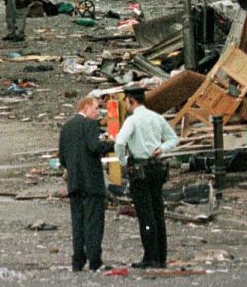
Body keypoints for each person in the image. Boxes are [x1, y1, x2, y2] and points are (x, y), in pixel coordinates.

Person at [115, 87, 179, 269]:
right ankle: (161, 256)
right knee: (158, 212)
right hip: (157, 167)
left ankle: (150, 255)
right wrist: (162, 148)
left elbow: (120, 142)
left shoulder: (132, 120)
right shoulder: (156, 117)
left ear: (130, 101)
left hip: (140, 169)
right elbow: (173, 139)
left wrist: (123, 160)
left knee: (146, 215)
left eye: (126, 101)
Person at [59, 97, 113, 272]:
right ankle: (95, 260)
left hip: (74, 183)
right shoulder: (89, 124)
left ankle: (78, 260)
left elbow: (62, 157)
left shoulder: (66, 127)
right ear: (86, 107)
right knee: (94, 222)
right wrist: (112, 143)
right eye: (96, 108)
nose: (98, 113)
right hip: (91, 182)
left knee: (78, 222)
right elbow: (94, 147)